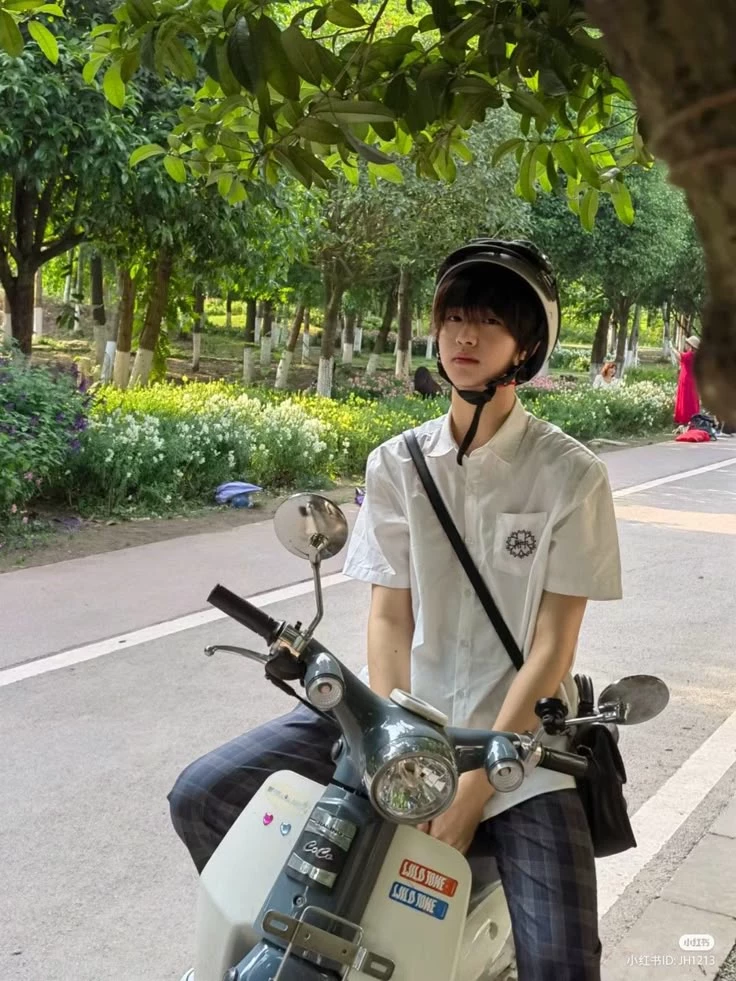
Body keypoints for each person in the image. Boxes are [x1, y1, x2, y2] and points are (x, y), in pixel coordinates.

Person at [168, 240, 622, 981]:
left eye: (490, 322)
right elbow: (388, 619)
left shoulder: (571, 474)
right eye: (454, 318)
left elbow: (552, 647)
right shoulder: (395, 464)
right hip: (399, 718)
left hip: (514, 743)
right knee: (203, 795)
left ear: (525, 347)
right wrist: (395, 751)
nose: (465, 336)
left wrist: (471, 792)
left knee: (562, 962)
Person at [673, 335, 701, 427]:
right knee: (692, 399)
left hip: (687, 380)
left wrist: (672, 349)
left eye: (687, 344)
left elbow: (680, 357)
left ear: (691, 346)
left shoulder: (690, 355)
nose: (686, 345)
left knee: (686, 400)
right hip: (692, 380)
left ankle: (685, 418)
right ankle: (692, 419)